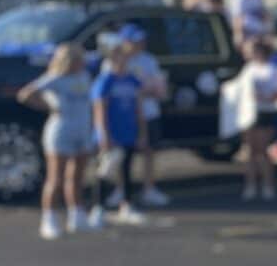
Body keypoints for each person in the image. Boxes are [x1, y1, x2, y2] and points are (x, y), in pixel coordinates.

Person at [16, 43, 95, 239]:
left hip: (82, 130)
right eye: (77, 59)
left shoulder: (84, 77)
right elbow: (25, 94)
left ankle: (76, 214)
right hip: (61, 131)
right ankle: (49, 218)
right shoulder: (55, 78)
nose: (81, 63)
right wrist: (48, 107)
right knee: (55, 178)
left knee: (76, 176)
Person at [111, 23, 171, 210]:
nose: (141, 44)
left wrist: (149, 91)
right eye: (135, 41)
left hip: (149, 112)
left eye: (141, 40)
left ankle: (149, 189)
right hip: (124, 115)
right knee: (122, 154)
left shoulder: (149, 60)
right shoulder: (114, 61)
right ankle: (120, 189)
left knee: (149, 151)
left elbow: (158, 88)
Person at [90, 38, 149, 226]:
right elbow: (100, 110)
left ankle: (127, 205)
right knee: (105, 171)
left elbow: (139, 109)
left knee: (126, 170)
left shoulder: (133, 81)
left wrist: (142, 133)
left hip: (128, 131)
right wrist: (104, 134)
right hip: (111, 132)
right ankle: (97, 208)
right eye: (119, 57)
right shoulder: (105, 81)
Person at [234, 36, 277, 202]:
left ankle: (268, 185)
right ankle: (250, 185)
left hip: (264, 113)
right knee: (249, 150)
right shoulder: (248, 69)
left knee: (263, 151)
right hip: (248, 113)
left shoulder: (271, 70)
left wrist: (261, 96)